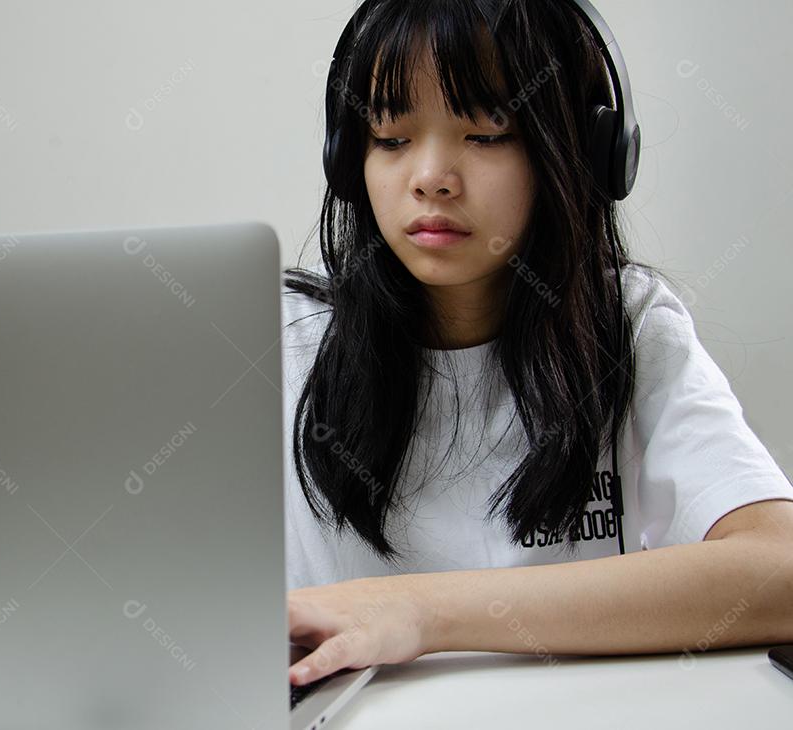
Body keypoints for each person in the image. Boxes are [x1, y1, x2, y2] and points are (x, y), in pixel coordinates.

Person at [284, 0, 793, 687]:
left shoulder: (626, 326)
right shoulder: (282, 339)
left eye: (488, 132)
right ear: (348, 158)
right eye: (390, 136)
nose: (430, 177)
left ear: (582, 151)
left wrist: (417, 610)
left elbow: (779, 568)